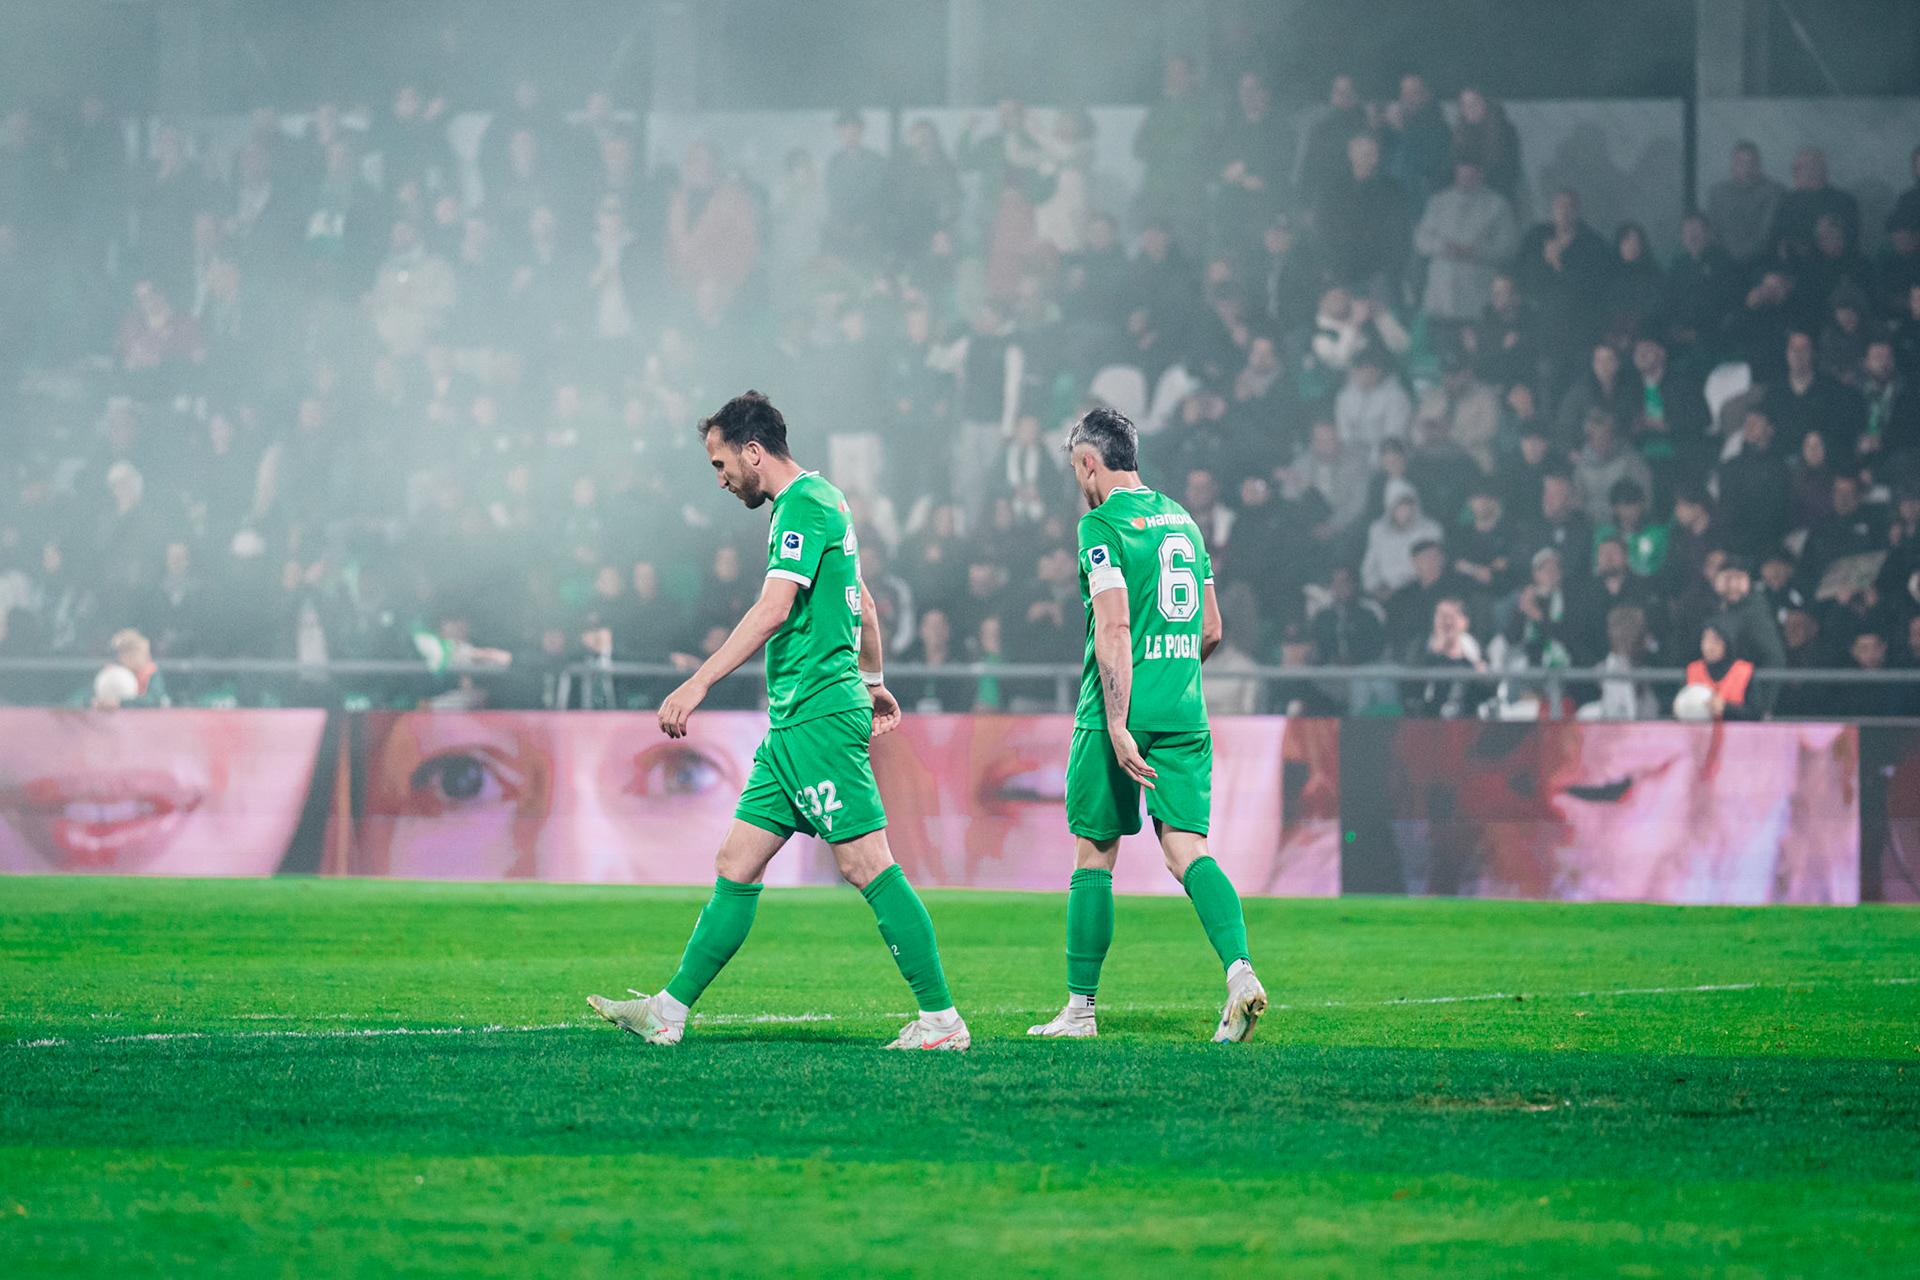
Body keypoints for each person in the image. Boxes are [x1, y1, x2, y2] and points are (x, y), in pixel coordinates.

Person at [587, 392, 969, 1052]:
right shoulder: (826, 505)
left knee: (866, 864)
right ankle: (668, 1011)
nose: (719, 478)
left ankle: (941, 1020)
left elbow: (772, 609)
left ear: (753, 451)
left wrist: (698, 681)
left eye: (720, 462)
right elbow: (866, 605)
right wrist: (874, 683)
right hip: (798, 720)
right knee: (736, 862)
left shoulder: (802, 506)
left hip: (817, 715)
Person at [1026, 407, 1267, 1044]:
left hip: (1119, 716)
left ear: (1088, 463)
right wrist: (1174, 676)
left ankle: (1079, 1011)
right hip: (1185, 707)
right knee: (1189, 851)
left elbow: (1113, 627)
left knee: (1094, 855)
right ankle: (1239, 973)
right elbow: (1212, 628)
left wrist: (1118, 719)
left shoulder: (1099, 527)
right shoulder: (1184, 522)